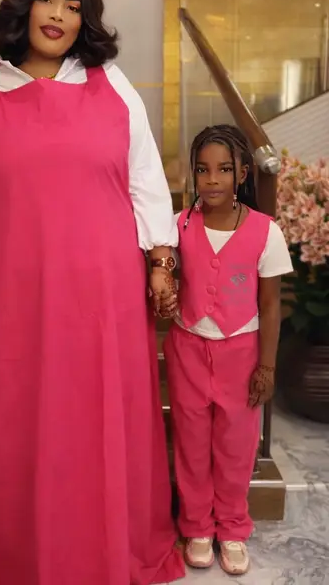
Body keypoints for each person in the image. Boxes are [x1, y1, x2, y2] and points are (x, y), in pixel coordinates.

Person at [0, 0, 185, 585]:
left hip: (101, 296)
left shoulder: (112, 85)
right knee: (9, 418)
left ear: (84, 18)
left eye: (73, 4)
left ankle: (103, 541)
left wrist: (160, 261)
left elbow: (146, 182)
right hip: (7, 294)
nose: (58, 14)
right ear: (24, 3)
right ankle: (13, 549)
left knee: (96, 421)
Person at [164, 125, 292, 576]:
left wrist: (267, 367)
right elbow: (164, 276)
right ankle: (197, 525)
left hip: (241, 352)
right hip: (187, 349)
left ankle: (233, 527)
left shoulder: (265, 231)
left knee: (236, 446)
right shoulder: (178, 225)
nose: (212, 179)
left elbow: (271, 305)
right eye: (202, 170)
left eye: (223, 169)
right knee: (192, 443)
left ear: (242, 174)